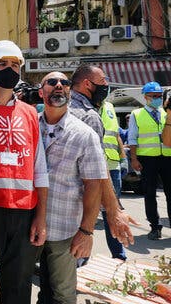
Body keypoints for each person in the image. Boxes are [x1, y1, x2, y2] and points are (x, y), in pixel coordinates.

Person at [0, 40, 48, 304]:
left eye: (15, 65)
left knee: (18, 285)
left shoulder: (30, 114)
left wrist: (41, 216)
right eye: (2, 64)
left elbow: (40, 169)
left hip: (24, 214)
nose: (9, 70)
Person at [37, 71, 107, 304]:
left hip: (64, 229)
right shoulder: (29, 127)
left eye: (64, 83)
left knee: (64, 294)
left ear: (69, 91)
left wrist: (86, 232)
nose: (59, 85)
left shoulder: (84, 135)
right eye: (52, 82)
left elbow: (94, 185)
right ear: (41, 91)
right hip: (28, 226)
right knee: (27, 286)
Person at [69, 64, 136, 248]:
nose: (106, 84)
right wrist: (114, 211)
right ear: (87, 84)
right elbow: (97, 168)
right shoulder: (88, 115)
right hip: (79, 198)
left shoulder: (60, 107)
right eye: (102, 81)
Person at [128, 81, 171, 240]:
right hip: (147, 159)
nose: (157, 99)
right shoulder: (137, 114)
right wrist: (133, 158)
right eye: (154, 96)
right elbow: (132, 138)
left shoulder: (167, 112)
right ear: (145, 97)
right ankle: (155, 227)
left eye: (159, 96)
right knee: (150, 194)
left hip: (167, 158)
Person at [100, 100, 128, 259]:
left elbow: (116, 134)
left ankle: (118, 255)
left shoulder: (109, 106)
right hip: (93, 167)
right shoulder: (82, 105)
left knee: (112, 213)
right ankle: (79, 260)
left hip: (112, 165)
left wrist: (123, 157)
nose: (105, 85)